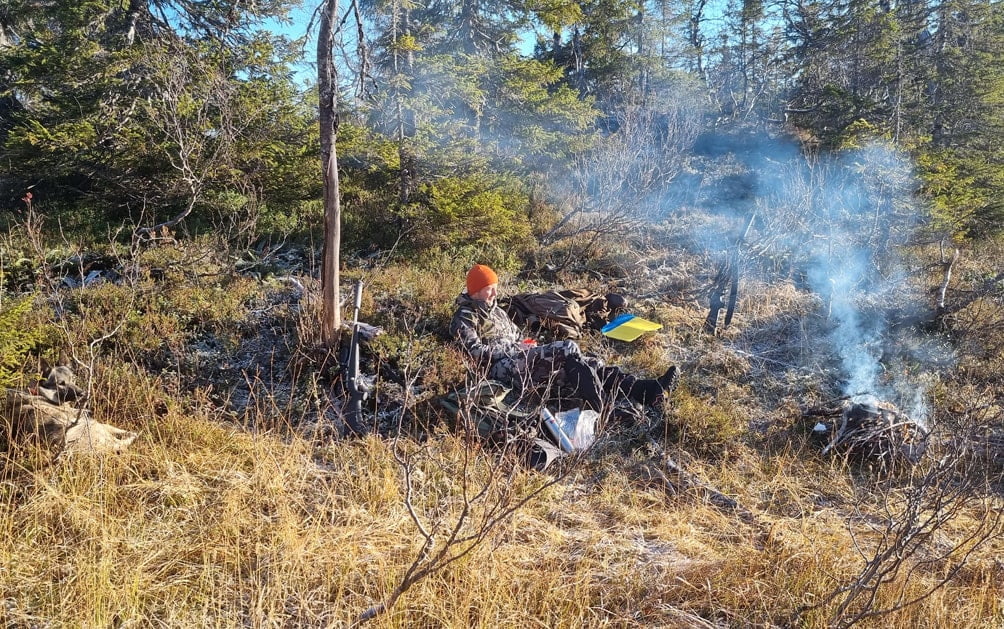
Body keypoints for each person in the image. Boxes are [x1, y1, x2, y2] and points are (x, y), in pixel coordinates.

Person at [449, 263, 679, 411]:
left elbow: (517, 335)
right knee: (567, 348)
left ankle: (649, 390)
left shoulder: (497, 311)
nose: (495, 293)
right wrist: (514, 349)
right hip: (500, 369)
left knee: (588, 363)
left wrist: (528, 345)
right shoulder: (464, 317)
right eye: (490, 288)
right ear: (476, 290)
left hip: (519, 359)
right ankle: (602, 408)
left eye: (495, 287)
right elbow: (476, 353)